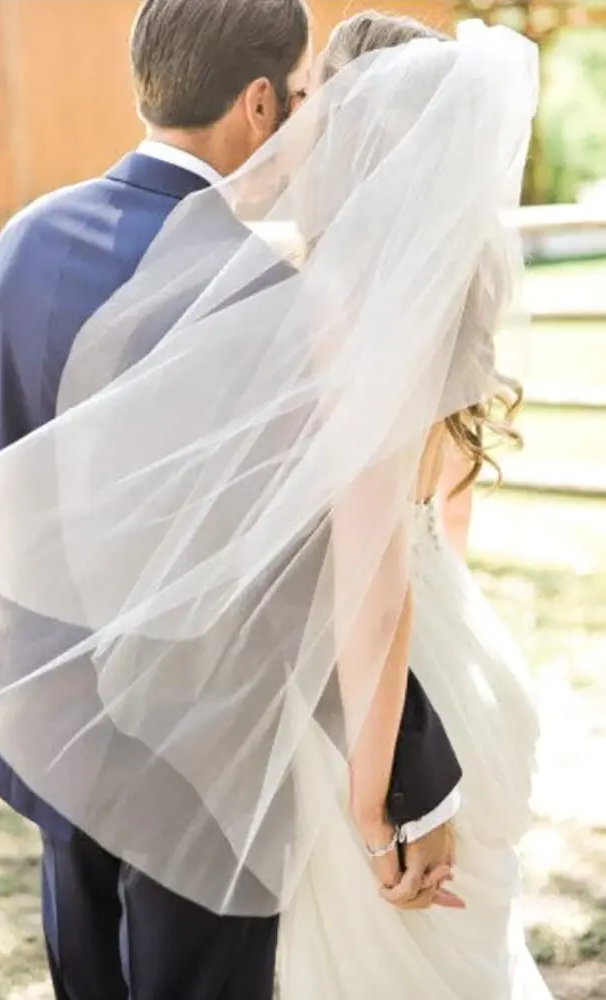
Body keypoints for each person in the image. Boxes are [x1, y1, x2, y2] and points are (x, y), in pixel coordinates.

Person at [0, 3, 464, 999]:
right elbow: (318, 567)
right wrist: (413, 782)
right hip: (198, 757)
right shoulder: (267, 294)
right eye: (303, 93)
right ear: (259, 102)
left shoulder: (17, 245)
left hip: (48, 708)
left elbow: (15, 468)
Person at [273, 13, 548, 998]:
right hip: (463, 655)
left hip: (388, 698)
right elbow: (447, 520)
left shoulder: (340, 296)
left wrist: (373, 795)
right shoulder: (460, 270)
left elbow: (376, 574)